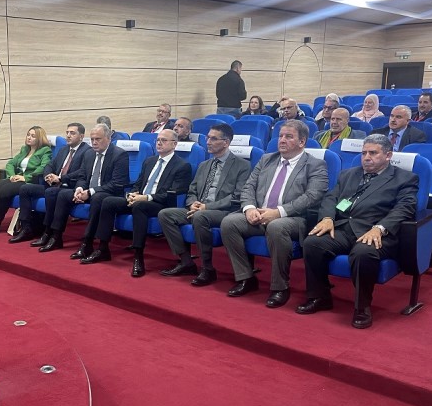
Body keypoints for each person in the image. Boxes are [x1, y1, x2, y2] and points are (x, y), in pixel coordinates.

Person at [297, 135, 418, 329]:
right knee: (313, 243)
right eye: (364, 153)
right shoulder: (348, 174)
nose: (366, 157)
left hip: (376, 232)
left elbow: (404, 208)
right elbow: (331, 198)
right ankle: (320, 296)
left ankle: (362, 307)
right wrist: (327, 218)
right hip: (345, 228)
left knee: (363, 252)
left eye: (373, 153)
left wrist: (380, 228)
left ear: (388, 155)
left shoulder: (404, 178)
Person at [219, 120, 328, 308]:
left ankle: (280, 287)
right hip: (260, 214)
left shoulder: (315, 164)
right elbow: (248, 187)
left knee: (277, 227)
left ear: (302, 142)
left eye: (289, 136)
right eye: (280, 136)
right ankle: (246, 278)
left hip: (293, 219)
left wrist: (278, 212)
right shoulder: (266, 159)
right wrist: (249, 208)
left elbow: (312, 197)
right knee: (229, 222)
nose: (282, 140)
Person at [78, 129, 190, 277]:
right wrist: (133, 194)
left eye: (163, 140)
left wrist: (146, 197)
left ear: (174, 144)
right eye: (157, 140)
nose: (159, 143)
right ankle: (103, 248)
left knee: (139, 206)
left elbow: (170, 194)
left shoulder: (182, 166)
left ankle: (138, 256)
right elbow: (138, 184)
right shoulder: (149, 161)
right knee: (108, 201)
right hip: (140, 199)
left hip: (160, 204)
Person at [158, 123, 251, 286]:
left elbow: (237, 197)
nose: (208, 142)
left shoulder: (241, 165)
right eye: (208, 138)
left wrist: (206, 207)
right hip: (199, 209)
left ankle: (207, 269)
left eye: (213, 139)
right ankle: (186, 261)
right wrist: (192, 203)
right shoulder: (204, 165)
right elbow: (192, 189)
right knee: (165, 214)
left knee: (200, 217)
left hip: (224, 211)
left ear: (226, 142)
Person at [38, 124, 129, 253]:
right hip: (88, 191)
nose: (94, 142)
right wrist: (79, 189)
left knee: (97, 198)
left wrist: (90, 192)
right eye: (92, 139)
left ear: (108, 139)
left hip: (107, 193)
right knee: (63, 194)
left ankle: (87, 242)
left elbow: (117, 184)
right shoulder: (89, 154)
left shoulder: (119, 155)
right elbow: (82, 176)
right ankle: (56, 237)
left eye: (98, 139)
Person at [10, 123, 89, 244]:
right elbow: (49, 165)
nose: (68, 135)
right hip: (54, 185)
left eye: (72, 133)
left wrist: (61, 178)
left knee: (51, 192)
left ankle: (48, 232)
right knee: (25, 189)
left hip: (70, 187)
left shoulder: (87, 151)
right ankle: (26, 228)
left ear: (81, 136)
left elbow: (82, 172)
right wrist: (48, 175)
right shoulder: (64, 149)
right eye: (67, 132)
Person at [0, 126, 52, 234]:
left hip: (30, 181)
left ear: (40, 138)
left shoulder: (45, 151)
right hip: (18, 177)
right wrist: (12, 175)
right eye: (28, 135)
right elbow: (11, 163)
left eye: (33, 136)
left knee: (6, 190)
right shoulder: (25, 149)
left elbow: (43, 167)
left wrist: (26, 177)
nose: (29, 137)